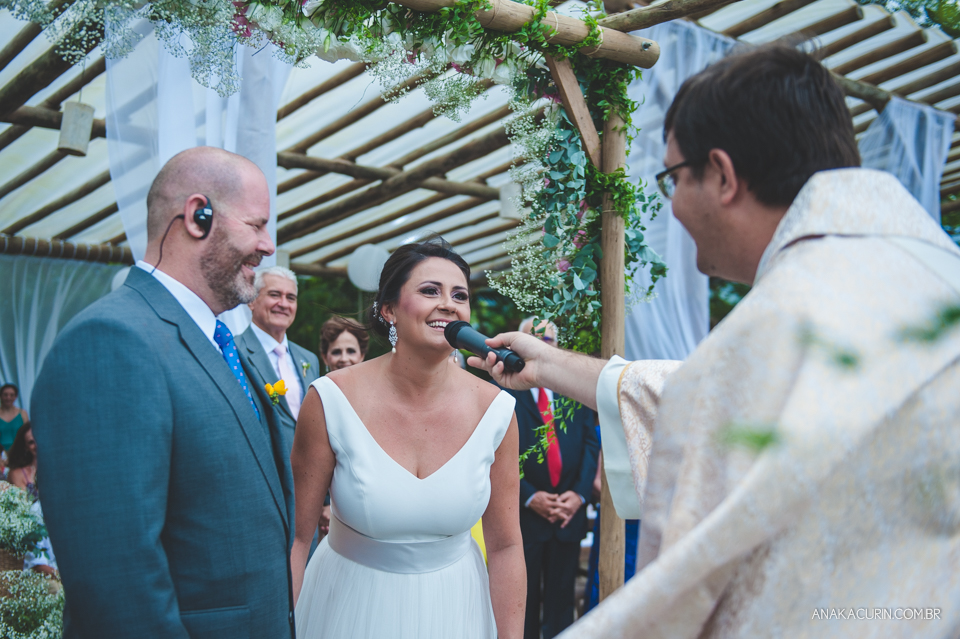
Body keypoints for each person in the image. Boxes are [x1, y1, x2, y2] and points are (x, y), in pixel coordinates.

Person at [472, 43, 960, 638]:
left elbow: (687, 585)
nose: (670, 204)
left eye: (672, 177)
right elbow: (695, 392)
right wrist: (549, 364)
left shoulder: (784, 320)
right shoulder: (920, 278)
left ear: (723, 176)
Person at [31, 146, 296, 639]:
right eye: (257, 225)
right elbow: (114, 575)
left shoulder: (217, 341)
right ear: (199, 216)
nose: (268, 245)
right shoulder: (111, 341)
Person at [290, 237, 526, 639]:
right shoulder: (330, 400)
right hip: (348, 609)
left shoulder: (496, 411)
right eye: (429, 290)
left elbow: (505, 547)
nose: (448, 304)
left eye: (459, 295)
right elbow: (298, 537)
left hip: (457, 612)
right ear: (389, 310)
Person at [509, 318, 598, 639]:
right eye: (534, 339)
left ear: (557, 346)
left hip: (568, 514)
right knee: (524, 604)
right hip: (525, 516)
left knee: (562, 603)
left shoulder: (573, 390)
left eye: (548, 339)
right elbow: (497, 455)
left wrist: (580, 494)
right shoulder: (505, 393)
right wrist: (529, 496)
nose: (542, 346)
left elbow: (591, 442)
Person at [237, 265, 321, 456]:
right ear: (252, 300)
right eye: (275, 295)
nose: (283, 304)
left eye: (290, 297)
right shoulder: (235, 352)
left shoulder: (309, 359)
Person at [7, 422, 38, 501]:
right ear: (26, 447)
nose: (37, 444)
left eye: (38, 438)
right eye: (31, 442)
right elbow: (23, 505)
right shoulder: (17, 473)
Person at [0, 383, 28, 457]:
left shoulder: (22, 413)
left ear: (16, 397)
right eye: (5, 395)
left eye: (12, 395)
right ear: (1, 396)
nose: (8, 398)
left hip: (20, 454)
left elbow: (28, 434)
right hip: (2, 455)